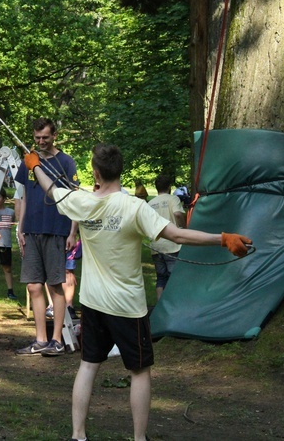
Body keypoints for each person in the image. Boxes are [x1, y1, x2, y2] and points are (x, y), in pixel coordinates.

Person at [22, 144, 252, 441]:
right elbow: (177, 234)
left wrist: (35, 166)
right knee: (139, 372)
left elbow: (52, 190)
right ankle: (137, 439)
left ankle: (78, 436)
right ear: (120, 171)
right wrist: (221, 238)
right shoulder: (134, 207)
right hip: (127, 308)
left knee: (88, 366)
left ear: (95, 172)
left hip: (94, 303)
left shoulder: (82, 203)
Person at [14, 118, 79, 357]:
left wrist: (72, 232)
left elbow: (74, 199)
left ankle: (57, 339)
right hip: (31, 230)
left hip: (56, 229)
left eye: (45, 137)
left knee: (54, 284)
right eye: (37, 137)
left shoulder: (66, 162)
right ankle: (40, 339)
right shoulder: (29, 160)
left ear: (54, 136)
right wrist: (19, 229)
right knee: (33, 285)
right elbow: (24, 197)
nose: (40, 142)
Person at [149, 174, 187, 301]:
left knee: (161, 277)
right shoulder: (173, 199)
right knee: (173, 277)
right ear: (169, 187)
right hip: (172, 246)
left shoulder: (150, 203)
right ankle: (173, 304)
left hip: (156, 246)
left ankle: (160, 304)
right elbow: (177, 214)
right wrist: (184, 227)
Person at [0, 188, 17, 300]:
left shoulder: (10, 212)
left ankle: (10, 291)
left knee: (7, 268)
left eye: (0, 197)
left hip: (6, 244)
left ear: (4, 199)